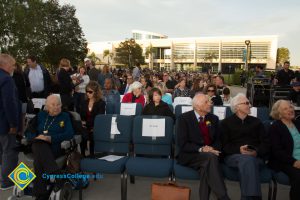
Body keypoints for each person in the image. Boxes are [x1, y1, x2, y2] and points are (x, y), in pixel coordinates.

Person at [177, 94, 230, 200]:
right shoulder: (184, 118)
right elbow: (182, 144)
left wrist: (212, 149)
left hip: (210, 155)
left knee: (207, 165)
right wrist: (202, 149)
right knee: (210, 158)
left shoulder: (213, 118)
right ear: (197, 106)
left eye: (209, 101)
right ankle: (223, 196)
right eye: (206, 102)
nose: (210, 103)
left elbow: (218, 140)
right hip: (191, 155)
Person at [220, 93, 270, 200]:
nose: (250, 105)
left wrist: (256, 152)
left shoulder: (257, 122)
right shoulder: (225, 123)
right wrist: (239, 150)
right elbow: (224, 146)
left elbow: (266, 144)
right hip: (233, 156)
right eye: (246, 103)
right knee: (247, 160)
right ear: (237, 107)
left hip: (256, 156)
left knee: (248, 161)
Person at [25, 94, 74, 199]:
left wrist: (51, 138)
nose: (56, 107)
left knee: (38, 160)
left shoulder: (65, 116)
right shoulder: (41, 115)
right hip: (38, 144)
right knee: (39, 144)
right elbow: (29, 131)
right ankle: (57, 175)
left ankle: (40, 194)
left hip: (55, 147)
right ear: (47, 106)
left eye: (58, 104)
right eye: (53, 105)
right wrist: (37, 137)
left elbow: (69, 134)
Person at [268, 100, 300, 200]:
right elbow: (277, 151)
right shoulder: (275, 127)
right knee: (299, 176)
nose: (290, 110)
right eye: (285, 109)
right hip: (285, 161)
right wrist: (294, 162)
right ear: (279, 113)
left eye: (290, 107)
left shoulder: (298, 123)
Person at [0, 54, 21, 190]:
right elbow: (10, 103)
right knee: (10, 152)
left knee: (2, 151)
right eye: (12, 64)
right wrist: (14, 124)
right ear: (5, 64)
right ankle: (7, 182)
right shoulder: (7, 79)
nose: (14, 67)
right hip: (5, 123)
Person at [80, 81, 106, 156]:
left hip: (96, 126)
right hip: (85, 126)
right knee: (83, 133)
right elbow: (82, 116)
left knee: (91, 134)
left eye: (90, 92)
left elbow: (99, 118)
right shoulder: (84, 102)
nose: (87, 93)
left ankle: (91, 154)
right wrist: (84, 123)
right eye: (86, 91)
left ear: (96, 92)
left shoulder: (101, 103)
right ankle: (82, 155)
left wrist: (88, 124)